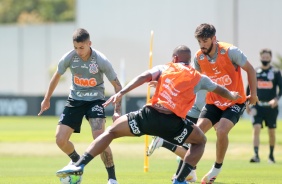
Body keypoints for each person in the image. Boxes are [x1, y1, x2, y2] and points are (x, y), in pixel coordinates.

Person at [56, 45, 241, 184]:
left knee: (111, 132)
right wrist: (232, 95)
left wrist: (121, 92)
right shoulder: (198, 76)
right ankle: (179, 180)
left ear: (174, 58)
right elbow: (220, 89)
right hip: (173, 124)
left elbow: (143, 77)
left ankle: (79, 165)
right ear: (189, 60)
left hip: (147, 117)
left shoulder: (166, 67)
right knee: (200, 141)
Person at [38, 28, 122, 184]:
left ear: (89, 44)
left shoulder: (101, 60)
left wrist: (117, 111)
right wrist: (46, 99)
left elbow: (118, 86)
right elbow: (56, 77)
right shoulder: (69, 58)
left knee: (100, 138)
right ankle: (76, 162)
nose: (78, 51)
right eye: (75, 47)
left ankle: (112, 178)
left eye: (81, 48)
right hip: (75, 100)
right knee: (60, 140)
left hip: (95, 100)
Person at [193, 23, 259, 184]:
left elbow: (250, 70)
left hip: (235, 101)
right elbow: (196, 81)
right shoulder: (198, 58)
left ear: (214, 39)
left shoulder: (231, 52)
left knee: (221, 131)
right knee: (196, 131)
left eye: (206, 41)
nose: (202, 45)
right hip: (213, 102)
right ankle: (189, 170)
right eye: (200, 42)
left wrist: (254, 95)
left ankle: (216, 169)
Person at [146, 46, 207, 183]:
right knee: (197, 144)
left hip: (195, 109)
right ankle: (166, 145)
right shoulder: (194, 72)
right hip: (197, 110)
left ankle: (188, 174)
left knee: (191, 144)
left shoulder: (191, 71)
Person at [246, 48, 282, 164]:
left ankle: (271, 156)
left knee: (271, 131)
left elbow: (281, 89)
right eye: (263, 57)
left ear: (270, 58)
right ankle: (256, 155)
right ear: (260, 57)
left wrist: (276, 100)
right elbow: (249, 89)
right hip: (258, 106)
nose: (265, 59)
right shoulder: (255, 72)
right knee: (256, 128)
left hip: (271, 107)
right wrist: (247, 104)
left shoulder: (276, 73)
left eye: (267, 57)